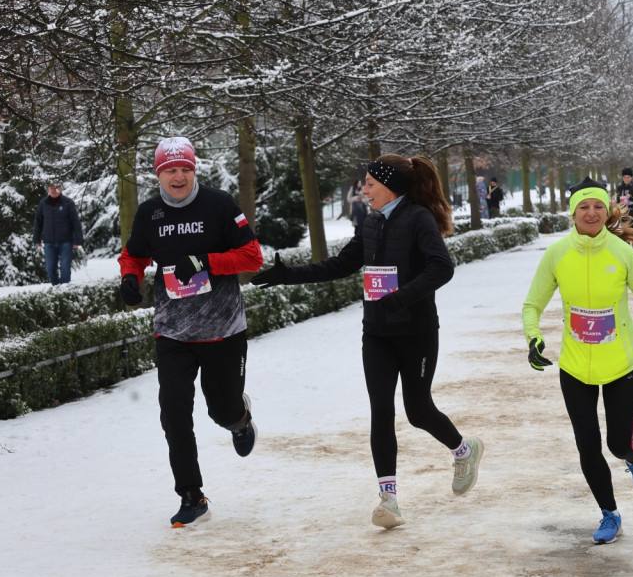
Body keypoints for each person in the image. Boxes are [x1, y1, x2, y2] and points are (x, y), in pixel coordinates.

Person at [251, 154, 483, 529]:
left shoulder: (418, 218)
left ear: (390, 186)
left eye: (370, 183)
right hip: (376, 332)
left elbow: (442, 267)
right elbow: (341, 265)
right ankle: (389, 500)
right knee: (381, 411)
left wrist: (401, 297)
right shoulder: (372, 223)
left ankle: (464, 450)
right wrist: (287, 274)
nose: (364, 189)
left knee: (418, 410)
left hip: (416, 331)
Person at [522, 177, 633, 545]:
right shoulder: (557, 254)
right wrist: (533, 337)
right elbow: (532, 304)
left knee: (617, 443)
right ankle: (609, 513)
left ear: (607, 210)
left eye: (598, 205)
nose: (591, 212)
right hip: (575, 367)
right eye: (583, 207)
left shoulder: (621, 252)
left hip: (622, 366)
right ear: (573, 213)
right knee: (588, 446)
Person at [118, 137, 264, 528]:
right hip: (173, 332)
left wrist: (204, 261)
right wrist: (130, 277)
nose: (178, 176)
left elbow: (252, 256)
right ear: (159, 174)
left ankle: (240, 419)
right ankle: (191, 495)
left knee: (221, 409)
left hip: (223, 330)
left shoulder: (219, 204)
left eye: (184, 169)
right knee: (174, 413)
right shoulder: (150, 214)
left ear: (193, 170)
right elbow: (133, 254)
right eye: (170, 170)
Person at [33, 181, 84, 285]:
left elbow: (75, 222)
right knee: (50, 268)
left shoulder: (68, 203)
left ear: (61, 188)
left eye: (57, 187)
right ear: (48, 189)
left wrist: (77, 240)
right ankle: (56, 289)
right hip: (49, 242)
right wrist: (36, 239)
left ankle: (65, 290)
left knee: (65, 268)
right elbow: (38, 222)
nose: (55, 189)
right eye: (52, 187)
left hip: (66, 242)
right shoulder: (43, 204)